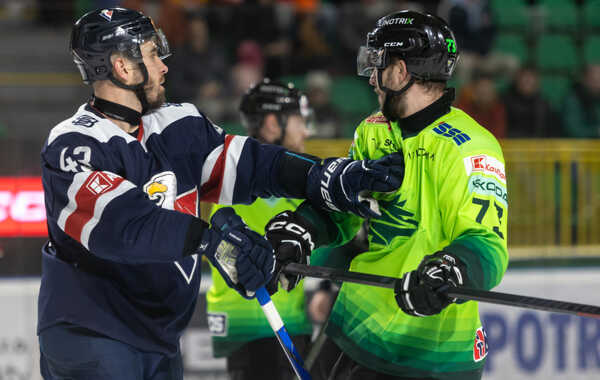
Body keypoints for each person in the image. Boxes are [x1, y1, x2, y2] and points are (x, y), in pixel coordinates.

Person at [37, 8, 405, 380]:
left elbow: (252, 164)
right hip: (93, 334)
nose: (164, 66)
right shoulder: (74, 144)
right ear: (122, 67)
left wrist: (323, 176)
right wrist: (212, 241)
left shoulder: (177, 125)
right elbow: (124, 225)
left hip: (158, 337)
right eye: (151, 54)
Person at [264, 10, 509, 380]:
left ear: (400, 70)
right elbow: (345, 210)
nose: (372, 80)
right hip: (352, 328)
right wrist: (304, 230)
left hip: (430, 352)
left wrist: (451, 270)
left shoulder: (471, 146)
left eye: (377, 64)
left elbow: (488, 244)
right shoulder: (371, 131)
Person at [206, 79, 314, 379]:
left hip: (258, 329)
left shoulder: (239, 173)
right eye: (299, 121)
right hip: (266, 328)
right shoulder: (258, 182)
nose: (305, 131)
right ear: (271, 123)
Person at [502, 66, 560, 138]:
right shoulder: (504, 103)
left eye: (530, 77)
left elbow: (552, 133)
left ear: (537, 81)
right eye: (524, 77)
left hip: (540, 147)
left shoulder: (544, 105)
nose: (527, 80)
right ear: (517, 80)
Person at [561, 63, 600, 138]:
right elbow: (574, 131)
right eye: (595, 80)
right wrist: (596, 131)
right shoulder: (573, 100)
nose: (598, 84)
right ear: (584, 79)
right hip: (578, 148)